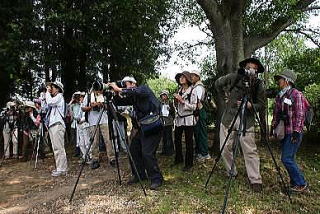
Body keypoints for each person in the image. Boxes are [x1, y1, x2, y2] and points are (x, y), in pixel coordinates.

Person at [215, 58, 265, 192]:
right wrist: (224, 98)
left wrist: (250, 105)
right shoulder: (233, 77)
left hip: (246, 120)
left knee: (250, 150)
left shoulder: (258, 84)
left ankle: (255, 179)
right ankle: (232, 172)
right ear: (244, 67)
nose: (251, 70)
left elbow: (261, 105)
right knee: (224, 147)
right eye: (249, 67)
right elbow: (217, 84)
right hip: (229, 117)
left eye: (254, 68)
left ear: (257, 71)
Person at [108, 76, 164, 190]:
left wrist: (118, 88)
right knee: (133, 149)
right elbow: (120, 102)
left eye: (126, 84)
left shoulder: (143, 89)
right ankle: (140, 175)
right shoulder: (134, 97)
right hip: (143, 128)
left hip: (153, 126)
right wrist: (114, 93)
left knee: (147, 153)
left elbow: (134, 91)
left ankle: (156, 178)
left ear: (133, 83)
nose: (124, 86)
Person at [272, 69, 309, 193]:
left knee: (286, 158)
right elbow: (276, 113)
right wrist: (274, 126)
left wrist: (297, 132)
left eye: (280, 79)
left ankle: (301, 183)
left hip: (294, 132)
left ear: (287, 81)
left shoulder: (296, 94)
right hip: (284, 132)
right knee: (290, 158)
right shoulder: (280, 95)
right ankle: (294, 183)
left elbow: (300, 114)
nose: (278, 81)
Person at [81, 84, 115, 169]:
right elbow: (83, 108)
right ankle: (95, 159)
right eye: (96, 89)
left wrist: (102, 105)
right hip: (92, 121)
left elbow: (110, 107)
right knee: (94, 141)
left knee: (108, 139)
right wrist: (91, 106)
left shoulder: (104, 95)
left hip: (104, 120)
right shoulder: (88, 96)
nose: (98, 91)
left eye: (99, 89)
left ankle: (112, 158)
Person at [173, 71, 197, 171]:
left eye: (183, 77)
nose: (181, 79)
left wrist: (182, 101)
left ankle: (189, 164)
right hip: (179, 119)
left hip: (188, 119)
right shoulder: (179, 90)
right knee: (177, 140)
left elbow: (194, 107)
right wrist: (175, 101)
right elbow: (177, 106)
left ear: (187, 79)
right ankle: (178, 159)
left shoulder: (193, 91)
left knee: (188, 142)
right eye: (180, 77)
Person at [45, 81, 68, 176]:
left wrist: (47, 92)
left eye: (53, 87)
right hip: (53, 125)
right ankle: (60, 167)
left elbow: (49, 102)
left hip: (57, 124)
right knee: (55, 148)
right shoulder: (54, 98)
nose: (50, 89)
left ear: (58, 89)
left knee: (59, 147)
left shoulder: (59, 96)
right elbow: (46, 105)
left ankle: (62, 169)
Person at [190, 70, 211, 161]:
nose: (191, 77)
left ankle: (204, 154)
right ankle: (199, 152)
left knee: (201, 133)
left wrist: (196, 114)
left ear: (198, 77)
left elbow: (197, 101)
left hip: (199, 111)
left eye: (193, 76)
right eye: (191, 76)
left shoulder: (198, 87)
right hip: (198, 112)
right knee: (198, 133)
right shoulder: (195, 86)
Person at [159, 90, 175, 156]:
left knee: (169, 137)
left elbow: (173, 112)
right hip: (162, 122)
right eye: (162, 95)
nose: (163, 96)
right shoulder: (160, 103)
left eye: (165, 95)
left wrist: (170, 109)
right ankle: (164, 150)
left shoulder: (170, 103)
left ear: (167, 96)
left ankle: (170, 151)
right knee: (164, 137)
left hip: (168, 122)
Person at [69, 91, 82, 157]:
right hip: (73, 123)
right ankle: (76, 151)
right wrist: (72, 100)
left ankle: (80, 151)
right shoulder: (73, 105)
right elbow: (69, 107)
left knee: (80, 138)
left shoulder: (80, 104)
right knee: (74, 138)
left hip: (80, 122)